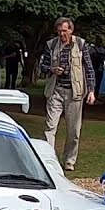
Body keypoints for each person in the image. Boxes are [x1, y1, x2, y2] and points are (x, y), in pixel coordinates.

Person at [38, 17, 96, 174]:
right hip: (55, 90)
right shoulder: (51, 45)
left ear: (71, 30)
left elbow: (89, 68)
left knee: (74, 130)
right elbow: (42, 67)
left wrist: (91, 90)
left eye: (64, 30)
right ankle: (49, 160)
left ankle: (69, 160)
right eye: (59, 31)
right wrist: (52, 69)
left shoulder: (81, 45)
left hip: (75, 93)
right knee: (50, 127)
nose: (61, 33)